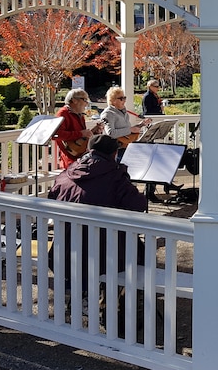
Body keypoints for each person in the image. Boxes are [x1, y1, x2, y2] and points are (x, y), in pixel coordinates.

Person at [47, 134, 147, 291]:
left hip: (64, 250)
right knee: (140, 250)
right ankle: (118, 299)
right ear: (114, 154)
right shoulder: (116, 177)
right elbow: (138, 206)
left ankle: (81, 293)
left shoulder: (65, 175)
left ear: (89, 150)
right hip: (104, 255)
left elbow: (51, 201)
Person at [54, 89, 102, 170]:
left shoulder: (80, 115)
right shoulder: (62, 113)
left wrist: (96, 132)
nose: (87, 103)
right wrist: (81, 134)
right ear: (74, 100)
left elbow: (82, 138)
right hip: (70, 159)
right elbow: (56, 135)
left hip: (81, 156)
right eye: (84, 100)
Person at [101, 86, 152, 152]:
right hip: (116, 150)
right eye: (121, 98)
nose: (124, 100)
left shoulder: (124, 112)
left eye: (124, 98)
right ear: (113, 101)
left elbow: (126, 130)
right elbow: (110, 133)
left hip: (127, 147)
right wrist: (130, 129)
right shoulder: (108, 114)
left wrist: (141, 124)